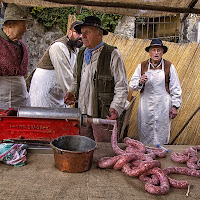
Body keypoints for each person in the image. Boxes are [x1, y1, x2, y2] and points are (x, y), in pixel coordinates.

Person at [64, 16, 128, 142]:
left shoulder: (112, 54)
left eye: (87, 32)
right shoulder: (81, 53)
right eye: (82, 33)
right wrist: (72, 92)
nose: (83, 36)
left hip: (103, 114)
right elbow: (76, 79)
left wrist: (116, 107)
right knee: (84, 146)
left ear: (99, 34)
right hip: (82, 114)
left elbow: (122, 86)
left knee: (104, 149)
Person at [129, 38, 182, 145]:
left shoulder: (169, 66)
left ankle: (161, 153)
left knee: (162, 129)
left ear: (162, 52)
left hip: (163, 106)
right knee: (145, 129)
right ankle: (146, 155)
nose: (156, 53)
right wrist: (140, 82)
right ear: (149, 52)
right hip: (145, 106)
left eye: (159, 50)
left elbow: (175, 87)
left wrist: (175, 106)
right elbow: (132, 85)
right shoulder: (142, 66)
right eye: (154, 50)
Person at [29, 21, 83, 108]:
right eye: (78, 32)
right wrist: (74, 94)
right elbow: (66, 76)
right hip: (45, 94)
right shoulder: (58, 47)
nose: (81, 36)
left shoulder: (75, 50)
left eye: (83, 33)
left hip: (59, 95)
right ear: (69, 33)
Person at [0, 3, 30, 108]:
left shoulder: (21, 45)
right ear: (10, 24)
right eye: (23, 26)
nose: (25, 30)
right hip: (2, 100)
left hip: (21, 99)